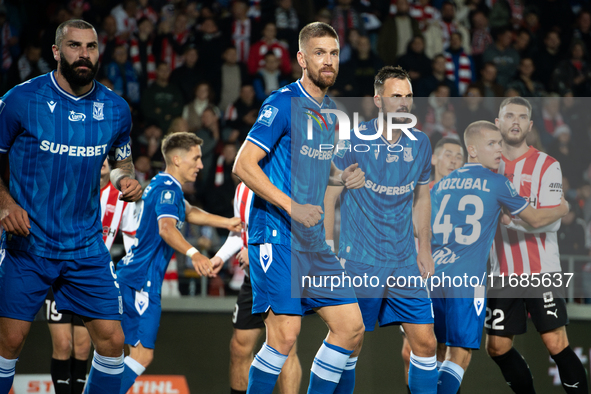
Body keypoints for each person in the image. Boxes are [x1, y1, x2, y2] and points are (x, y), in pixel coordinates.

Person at [0, 19, 143, 394]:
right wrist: (4, 204)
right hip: (28, 245)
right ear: (56, 52)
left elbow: (122, 160)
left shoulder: (116, 109)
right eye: (75, 46)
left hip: (85, 246)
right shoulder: (20, 100)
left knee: (113, 342)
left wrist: (124, 178)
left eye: (91, 47)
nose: (84, 55)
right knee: (9, 342)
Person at [232, 22, 366, 394]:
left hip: (311, 240)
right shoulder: (282, 102)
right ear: (302, 59)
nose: (328, 61)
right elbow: (243, 165)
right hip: (275, 235)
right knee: (284, 337)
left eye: (334, 53)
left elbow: (318, 167)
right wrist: (293, 207)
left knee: (351, 327)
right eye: (320, 53)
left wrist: (341, 176)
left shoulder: (331, 112)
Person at [431, 121, 569, 394]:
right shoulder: (496, 182)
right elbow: (536, 217)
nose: (499, 149)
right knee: (459, 355)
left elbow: (418, 228)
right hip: (466, 279)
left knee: (436, 352)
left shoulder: (441, 185)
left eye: (500, 143)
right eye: (492, 144)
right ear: (472, 149)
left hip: (434, 276)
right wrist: (562, 207)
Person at [325, 65, 438, 393]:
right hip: (360, 260)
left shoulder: (420, 143)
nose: (404, 103)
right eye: (396, 96)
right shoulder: (354, 140)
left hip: (404, 260)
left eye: (408, 96)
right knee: (350, 341)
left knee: (426, 343)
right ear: (378, 100)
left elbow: (421, 197)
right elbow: (330, 192)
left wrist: (425, 248)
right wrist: (327, 246)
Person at [116, 132, 242, 394]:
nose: (201, 165)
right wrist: (195, 253)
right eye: (196, 158)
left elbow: (189, 211)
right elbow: (166, 228)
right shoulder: (167, 189)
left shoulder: (162, 184)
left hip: (133, 276)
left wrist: (227, 222)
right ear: (176, 159)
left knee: (124, 355)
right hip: (142, 280)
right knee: (141, 356)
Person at [486, 97, 590, 394]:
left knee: (556, 343)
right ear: (498, 123)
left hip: (541, 269)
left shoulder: (547, 165)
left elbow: (553, 221)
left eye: (522, 117)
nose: (515, 121)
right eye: (509, 115)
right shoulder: (486, 167)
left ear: (531, 126)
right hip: (501, 272)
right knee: (497, 346)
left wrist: (511, 220)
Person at [45, 158, 138, 394]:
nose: (104, 161)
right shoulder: (71, 189)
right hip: (60, 274)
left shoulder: (122, 199)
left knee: (84, 347)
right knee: (63, 344)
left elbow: (132, 239)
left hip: (93, 278)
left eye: (109, 158)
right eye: (101, 157)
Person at [210, 182, 301, 394]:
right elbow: (240, 234)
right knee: (239, 347)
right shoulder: (242, 187)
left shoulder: (283, 185)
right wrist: (219, 257)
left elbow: (296, 234)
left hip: (280, 275)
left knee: (284, 348)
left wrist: (254, 254)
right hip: (254, 280)